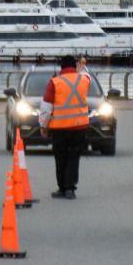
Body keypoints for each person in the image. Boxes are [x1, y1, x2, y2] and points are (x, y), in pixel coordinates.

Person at [40, 55, 90, 200]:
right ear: (75, 66)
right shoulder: (83, 79)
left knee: (60, 158)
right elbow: (87, 75)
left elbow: (46, 108)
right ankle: (70, 188)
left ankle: (62, 188)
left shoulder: (54, 82)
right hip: (79, 127)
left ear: (61, 67)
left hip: (59, 128)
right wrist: (81, 69)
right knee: (74, 157)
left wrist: (44, 126)